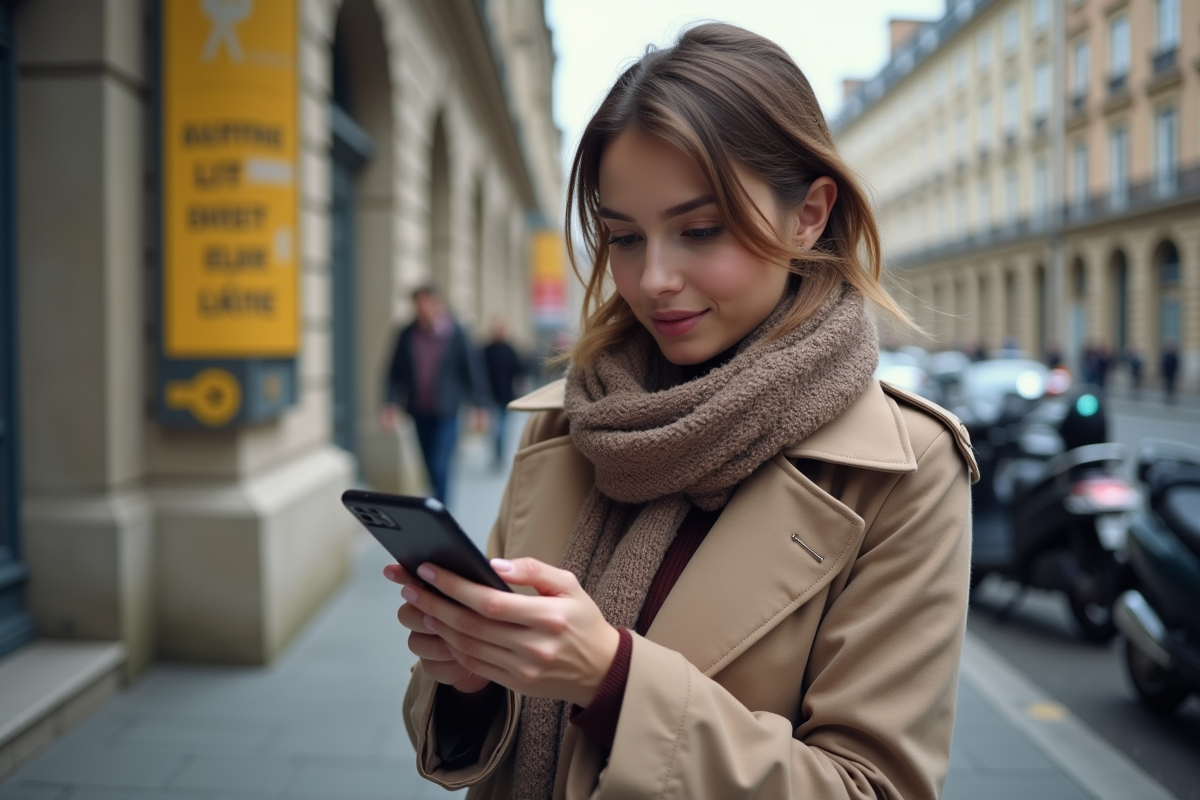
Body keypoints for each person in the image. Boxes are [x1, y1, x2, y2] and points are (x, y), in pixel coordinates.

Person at [387, 24, 976, 800]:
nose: (653, 278)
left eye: (700, 230)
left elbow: (869, 787)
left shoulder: (907, 472)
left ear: (809, 214)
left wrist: (613, 681)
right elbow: (474, 741)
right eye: (625, 238)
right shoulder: (567, 420)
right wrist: (471, 676)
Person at [380, 286, 488, 504]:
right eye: (418, 305)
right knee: (429, 467)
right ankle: (437, 507)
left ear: (437, 304)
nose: (422, 309)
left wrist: (480, 406)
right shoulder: (406, 334)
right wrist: (389, 403)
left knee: (440, 466)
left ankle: (441, 511)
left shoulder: (456, 333)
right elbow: (393, 371)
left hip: (447, 411)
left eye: (426, 303)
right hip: (419, 410)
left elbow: (472, 370)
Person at [482, 318, 529, 468]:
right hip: (490, 396)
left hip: (506, 396)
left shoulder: (510, 350)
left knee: (502, 428)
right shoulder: (486, 351)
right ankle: (497, 452)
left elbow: (520, 369)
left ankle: (500, 454)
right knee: (494, 429)